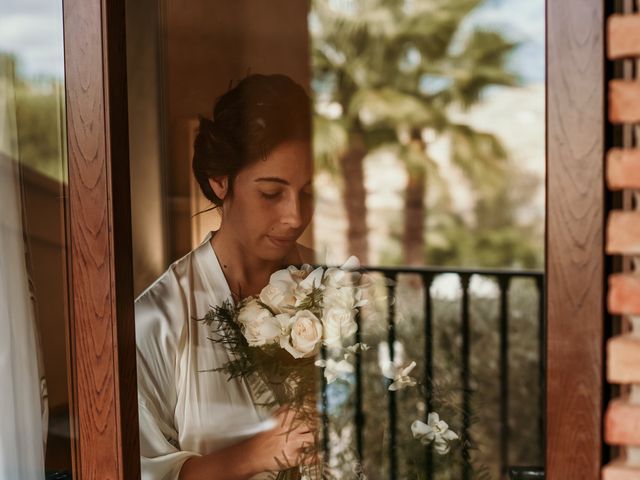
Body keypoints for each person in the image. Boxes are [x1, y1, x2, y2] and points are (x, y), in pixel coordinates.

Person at [135, 73, 318, 480]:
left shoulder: (336, 292)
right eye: (271, 193)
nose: (295, 216)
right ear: (221, 183)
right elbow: (135, 472)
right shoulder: (159, 319)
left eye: (307, 192)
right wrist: (255, 454)